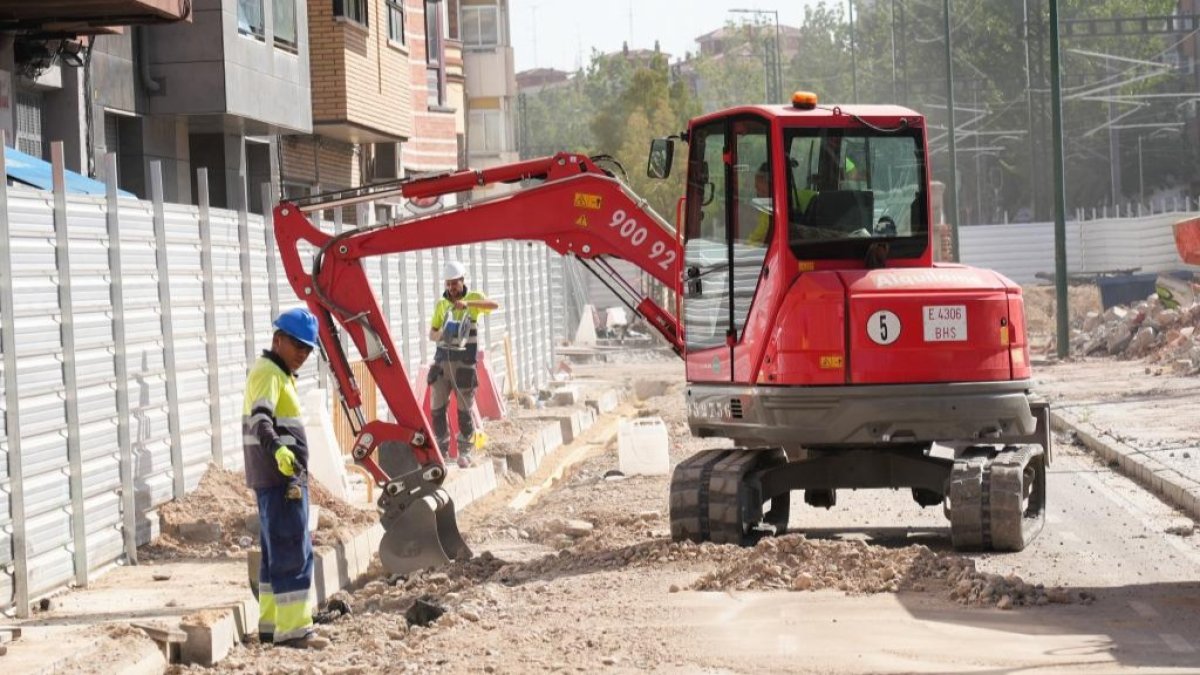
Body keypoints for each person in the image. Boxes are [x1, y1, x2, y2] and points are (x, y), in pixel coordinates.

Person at [242, 307, 329, 650]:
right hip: (281, 478)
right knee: (294, 550)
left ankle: (271, 627)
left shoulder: (277, 373)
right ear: (278, 340)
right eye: (298, 346)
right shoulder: (269, 373)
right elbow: (260, 420)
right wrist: (278, 449)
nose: (303, 354)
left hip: (276, 479)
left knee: (274, 554)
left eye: (308, 349)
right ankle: (294, 631)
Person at [429, 260, 499, 467]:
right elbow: (432, 333)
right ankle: (441, 452)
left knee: (464, 410)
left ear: (462, 280)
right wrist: (442, 334)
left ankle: (465, 452)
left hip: (464, 365)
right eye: (448, 284)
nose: (451, 287)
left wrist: (469, 305)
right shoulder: (441, 305)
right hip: (442, 363)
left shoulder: (474, 298)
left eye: (455, 283)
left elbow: (493, 305)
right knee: (437, 409)